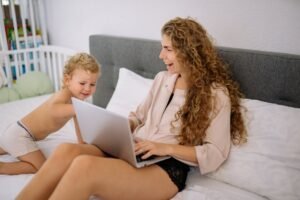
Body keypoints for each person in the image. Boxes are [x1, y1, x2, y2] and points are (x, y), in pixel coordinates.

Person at [16, 17, 247, 200]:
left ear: (187, 50)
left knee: (84, 166)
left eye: (167, 48)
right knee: (66, 151)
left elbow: (215, 154)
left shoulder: (216, 94)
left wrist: (164, 147)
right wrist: (123, 126)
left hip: (167, 169)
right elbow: (139, 116)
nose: (161, 55)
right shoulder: (162, 79)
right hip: (135, 151)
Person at [0, 53, 101, 175]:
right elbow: (54, 109)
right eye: (82, 83)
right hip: (20, 135)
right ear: (67, 80)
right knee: (42, 169)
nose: (87, 88)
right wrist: (77, 109)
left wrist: (84, 146)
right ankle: (3, 167)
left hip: (17, 134)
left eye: (92, 84)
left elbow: (81, 139)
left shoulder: (76, 104)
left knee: (10, 145)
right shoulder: (64, 95)